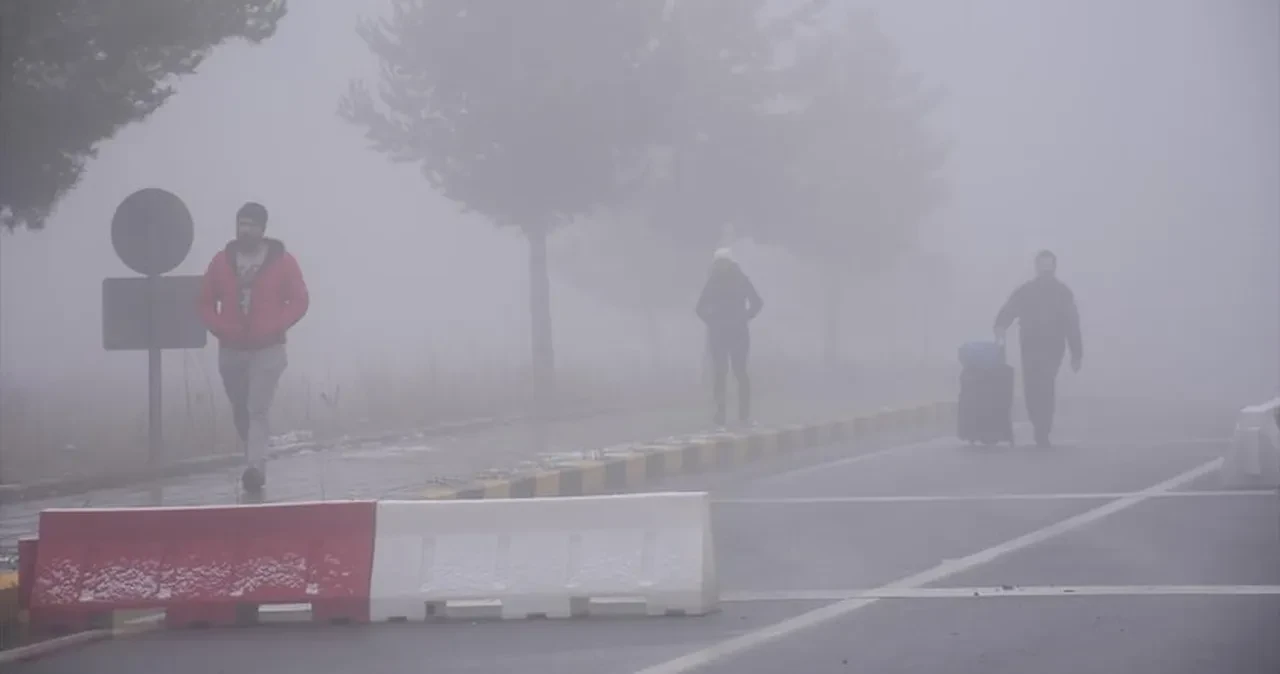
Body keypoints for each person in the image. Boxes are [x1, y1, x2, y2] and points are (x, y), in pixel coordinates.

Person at [198, 202, 309, 500]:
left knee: (256, 408)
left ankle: (254, 469)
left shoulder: (283, 261)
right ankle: (254, 457)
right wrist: (219, 327)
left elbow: (299, 300)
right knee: (240, 410)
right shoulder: (221, 262)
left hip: (268, 349)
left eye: (250, 224)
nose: (244, 229)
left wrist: (278, 325)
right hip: (231, 349)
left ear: (262, 229)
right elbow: (205, 301)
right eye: (240, 224)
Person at [993, 250, 1082, 448]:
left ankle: (1043, 428)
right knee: (1032, 386)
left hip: (1053, 347)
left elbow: (1072, 324)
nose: (1045, 269)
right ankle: (1037, 422)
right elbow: (1010, 309)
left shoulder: (1063, 293)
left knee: (1045, 383)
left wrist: (1077, 353)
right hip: (1030, 345)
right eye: (1042, 265)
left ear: (1054, 267)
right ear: (1037, 267)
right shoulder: (1026, 291)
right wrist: (1000, 325)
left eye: (1048, 265)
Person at [696, 248, 763, 429]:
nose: (721, 266)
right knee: (720, 373)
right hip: (719, 334)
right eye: (719, 263)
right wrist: (712, 321)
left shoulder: (741, 280)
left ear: (730, 263)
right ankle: (720, 417)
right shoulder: (713, 281)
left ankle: (744, 416)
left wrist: (744, 317)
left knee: (740, 372)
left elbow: (757, 302)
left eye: (724, 262)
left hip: (738, 333)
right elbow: (699, 308)